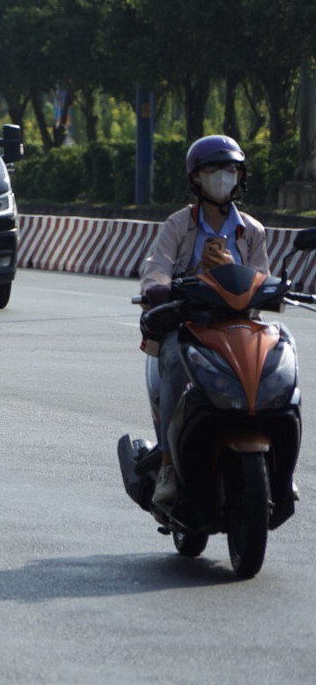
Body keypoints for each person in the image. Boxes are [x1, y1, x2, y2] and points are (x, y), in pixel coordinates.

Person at [137, 134, 270, 507]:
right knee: (175, 363)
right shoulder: (178, 226)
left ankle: (277, 464)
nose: (224, 176)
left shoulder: (253, 231)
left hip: (239, 326)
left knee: (278, 359)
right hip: (190, 326)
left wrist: (234, 270)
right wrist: (163, 287)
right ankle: (168, 464)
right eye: (214, 168)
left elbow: (262, 279)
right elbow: (157, 269)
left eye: (231, 169)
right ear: (196, 177)